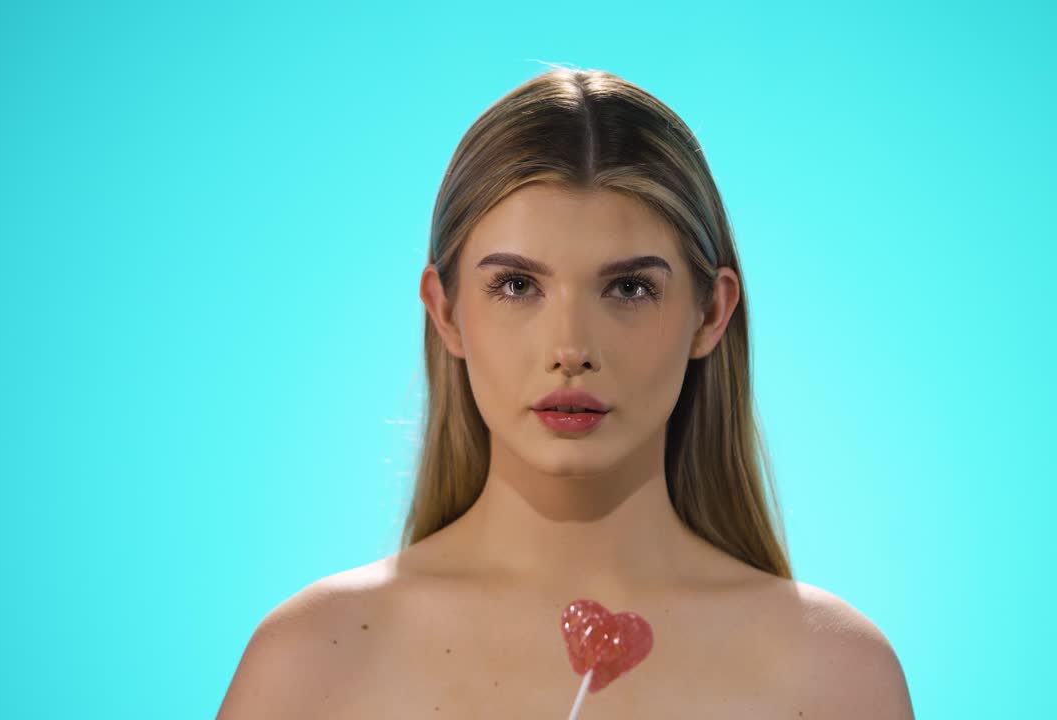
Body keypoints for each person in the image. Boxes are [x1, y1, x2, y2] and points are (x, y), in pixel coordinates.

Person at [217, 66, 914, 719]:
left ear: (711, 313)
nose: (571, 349)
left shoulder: (836, 676)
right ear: (446, 311)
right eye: (517, 286)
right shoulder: (309, 666)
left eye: (629, 288)